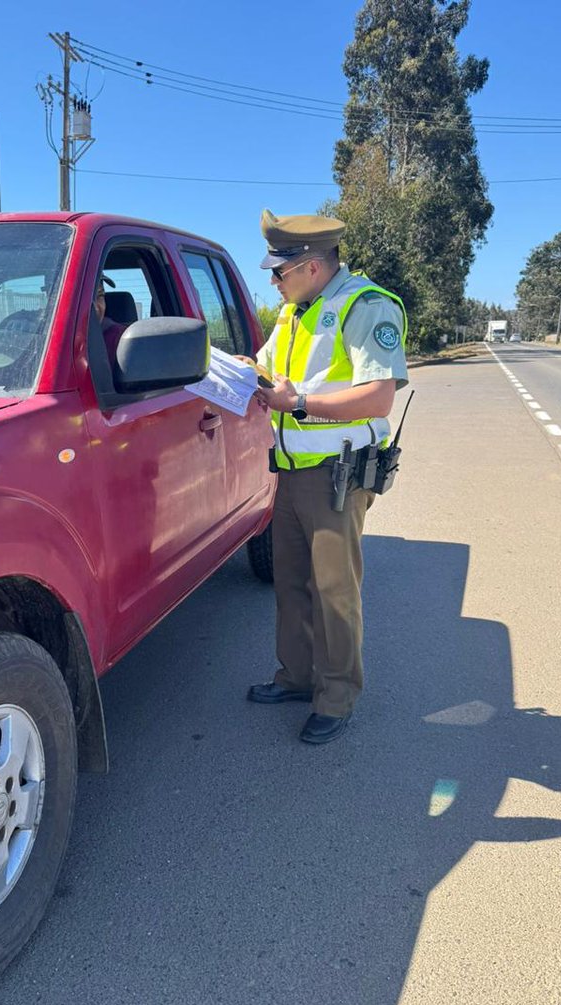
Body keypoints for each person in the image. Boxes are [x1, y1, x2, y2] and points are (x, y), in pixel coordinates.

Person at [247, 209, 409, 745]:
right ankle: (296, 677)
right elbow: (270, 370)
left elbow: (379, 396)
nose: (274, 281)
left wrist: (299, 403)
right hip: (293, 473)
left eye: (280, 272)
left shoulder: (365, 306)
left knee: (334, 592)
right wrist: (244, 372)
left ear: (312, 266)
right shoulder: (293, 313)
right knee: (291, 584)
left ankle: (336, 697)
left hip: (337, 476)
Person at [94, 274, 128, 362]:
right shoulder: (60, 339)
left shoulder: (119, 340)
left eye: (100, 295)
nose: (96, 308)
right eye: (84, 297)